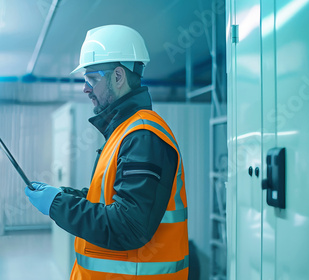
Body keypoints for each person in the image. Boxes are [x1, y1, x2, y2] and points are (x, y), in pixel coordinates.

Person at [25, 25, 189, 279]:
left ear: (119, 76)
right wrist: (63, 195)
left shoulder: (143, 136)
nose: (85, 88)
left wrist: (58, 205)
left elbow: (129, 226)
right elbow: (109, 201)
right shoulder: (125, 132)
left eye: (92, 78)